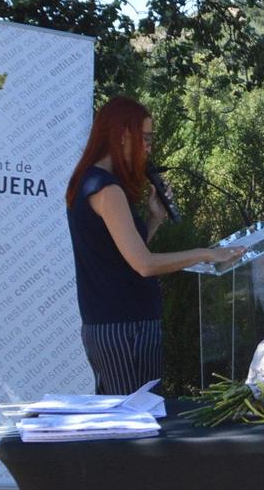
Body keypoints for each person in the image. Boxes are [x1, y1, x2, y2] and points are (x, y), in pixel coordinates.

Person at [65, 97, 239, 394]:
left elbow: (120, 256)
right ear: (122, 136)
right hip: (126, 327)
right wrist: (206, 253)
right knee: (133, 424)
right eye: (145, 138)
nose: (149, 147)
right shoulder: (106, 188)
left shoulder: (88, 182)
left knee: (121, 420)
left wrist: (155, 219)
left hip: (112, 324)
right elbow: (143, 264)